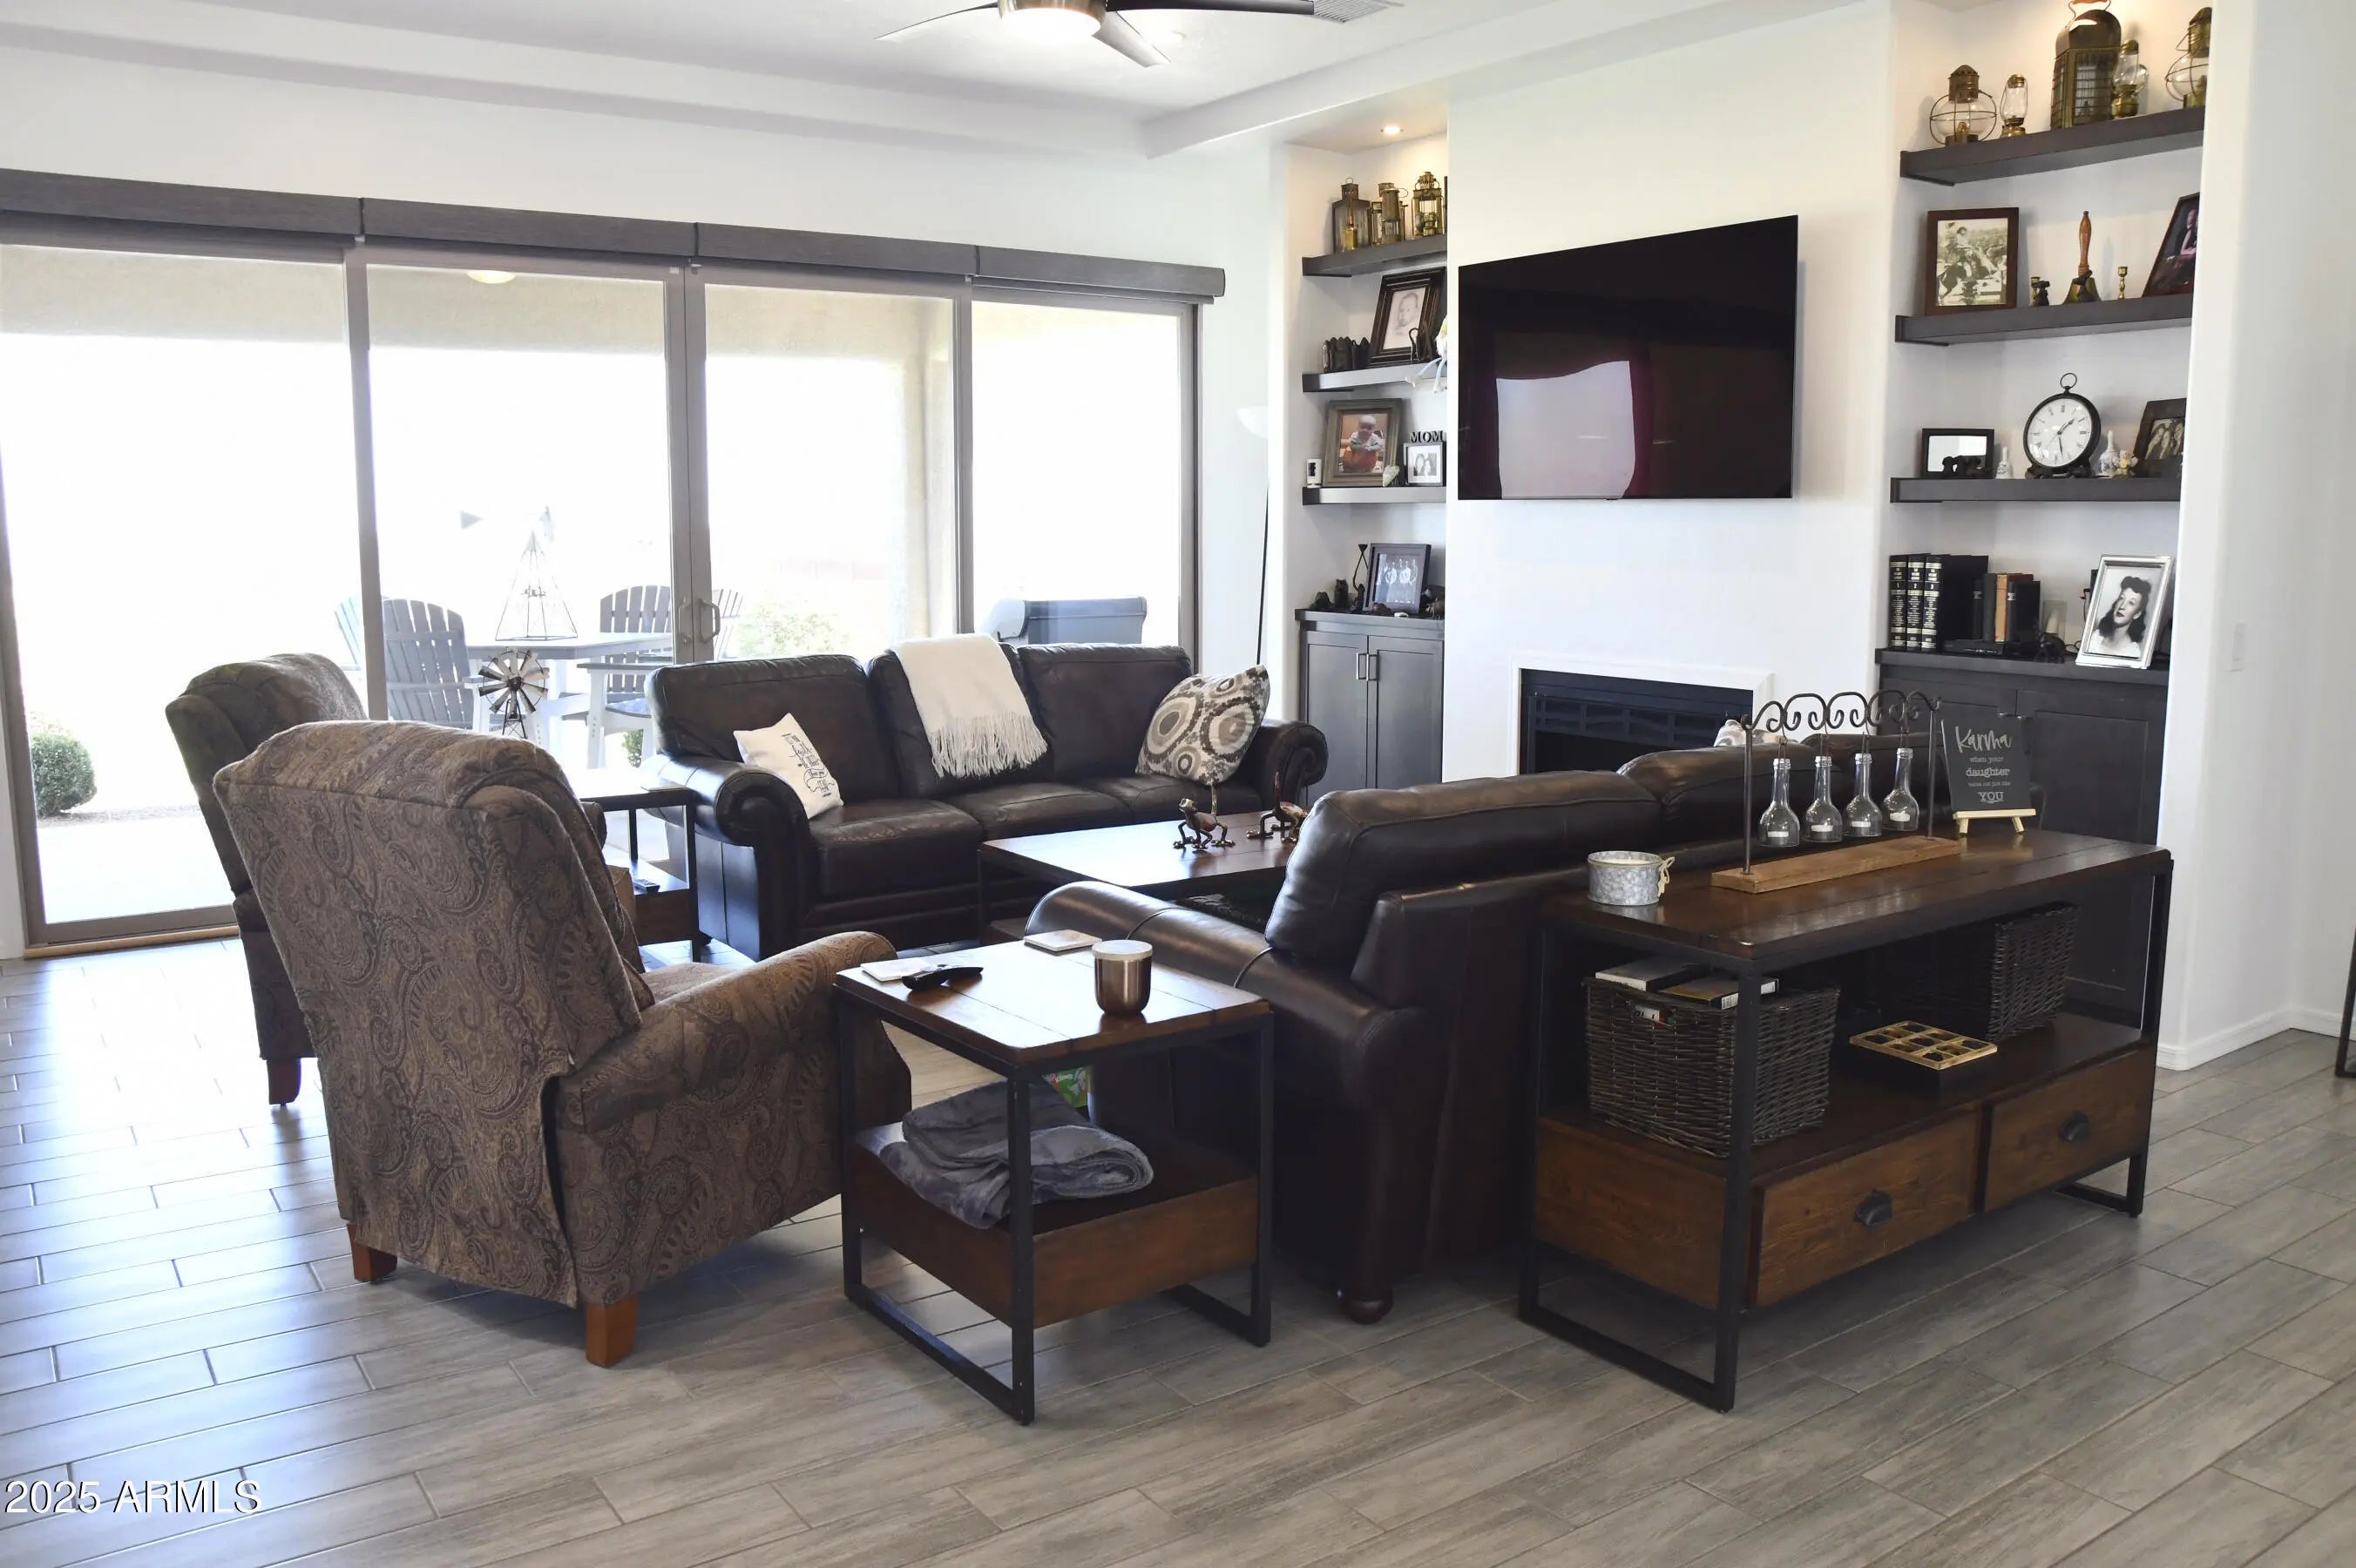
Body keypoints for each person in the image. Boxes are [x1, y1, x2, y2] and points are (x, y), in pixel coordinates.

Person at [2086, 575, 2151, 658]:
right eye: (2121, 598)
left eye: (2131, 603)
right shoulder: (2096, 637)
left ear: (2137, 614)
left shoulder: (2132, 653)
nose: (2122, 606)